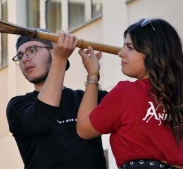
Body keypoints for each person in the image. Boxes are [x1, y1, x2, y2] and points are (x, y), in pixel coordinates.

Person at [76, 18, 183, 169]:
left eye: (129, 47)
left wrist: (93, 75)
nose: (121, 53)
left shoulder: (126, 93)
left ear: (152, 52)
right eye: (123, 46)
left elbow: (83, 129)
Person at [6, 29, 108, 168]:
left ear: (53, 51)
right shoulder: (18, 105)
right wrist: (60, 59)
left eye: (32, 50)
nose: (25, 59)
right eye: (20, 56)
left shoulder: (87, 98)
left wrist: (93, 74)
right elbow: (41, 119)